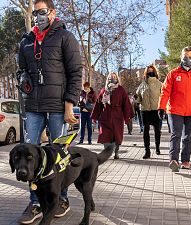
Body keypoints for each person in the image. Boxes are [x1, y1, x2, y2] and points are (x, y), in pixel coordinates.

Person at [16, 0, 82, 223]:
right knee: (29, 156)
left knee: (60, 155)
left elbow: (75, 73)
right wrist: (22, 78)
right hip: (33, 106)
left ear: (52, 13)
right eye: (35, 13)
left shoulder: (65, 37)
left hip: (57, 106)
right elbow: (20, 69)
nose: (38, 16)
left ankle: (61, 198)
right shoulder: (26, 41)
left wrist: (69, 104)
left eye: (42, 12)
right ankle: (35, 202)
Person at [158, 46, 191, 172]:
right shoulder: (173, 73)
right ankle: (173, 160)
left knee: (188, 136)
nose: (188, 59)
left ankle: (185, 160)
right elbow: (165, 91)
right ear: (181, 57)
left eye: (190, 57)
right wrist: (161, 107)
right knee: (176, 135)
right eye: (185, 57)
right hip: (175, 110)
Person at [91, 72, 134, 159]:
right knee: (105, 134)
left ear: (117, 78)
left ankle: (116, 152)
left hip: (117, 116)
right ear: (108, 78)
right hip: (105, 115)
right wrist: (94, 117)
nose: (112, 78)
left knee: (117, 135)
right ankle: (107, 152)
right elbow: (98, 104)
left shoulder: (121, 90)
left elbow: (125, 103)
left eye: (114, 77)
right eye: (110, 77)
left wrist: (127, 117)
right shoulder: (104, 90)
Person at [136, 65, 163, 159]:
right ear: (145, 73)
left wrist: (162, 108)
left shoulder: (160, 84)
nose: (150, 73)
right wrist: (136, 99)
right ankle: (147, 151)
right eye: (148, 72)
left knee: (157, 130)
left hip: (156, 110)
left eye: (152, 71)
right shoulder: (142, 84)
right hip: (145, 110)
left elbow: (163, 96)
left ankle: (157, 147)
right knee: (145, 130)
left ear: (155, 72)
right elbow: (138, 97)